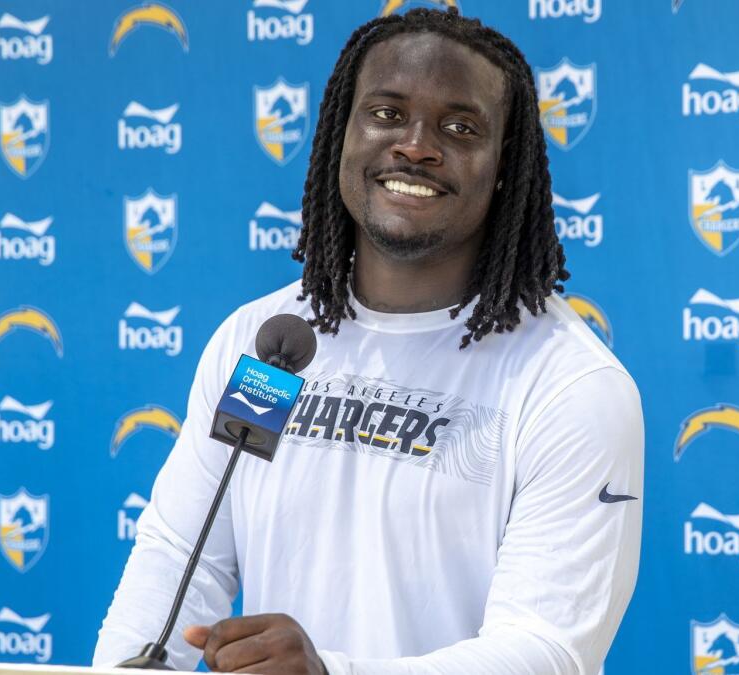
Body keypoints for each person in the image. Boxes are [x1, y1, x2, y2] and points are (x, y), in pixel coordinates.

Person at [93, 8, 643, 675]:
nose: (415, 145)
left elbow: (547, 649)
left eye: (460, 127)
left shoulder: (567, 385)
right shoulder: (271, 351)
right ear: (339, 135)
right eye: (386, 113)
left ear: (504, 168)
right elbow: (182, 551)